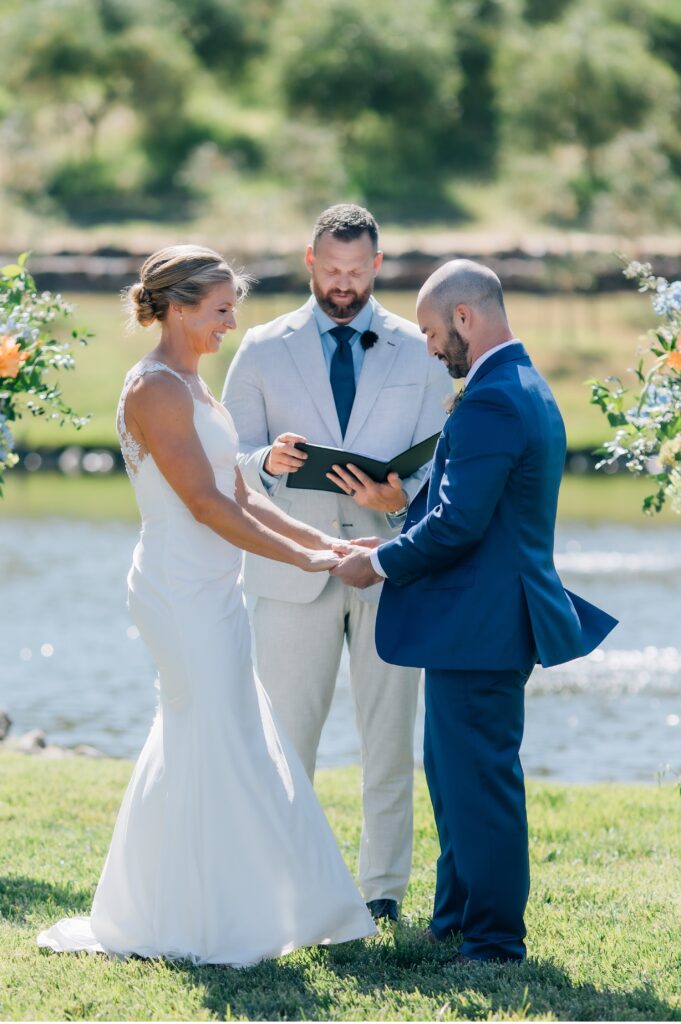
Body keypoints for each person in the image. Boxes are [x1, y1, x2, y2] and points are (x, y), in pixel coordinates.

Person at [37, 245, 376, 964]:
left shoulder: (194, 381)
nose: (230, 322)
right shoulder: (155, 387)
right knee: (216, 734)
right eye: (221, 309)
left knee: (215, 736)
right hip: (177, 587)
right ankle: (203, 918)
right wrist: (313, 559)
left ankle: (200, 904)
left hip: (214, 588)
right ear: (180, 307)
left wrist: (328, 544)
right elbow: (202, 504)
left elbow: (244, 493)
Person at [332, 259, 618, 961]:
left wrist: (375, 563)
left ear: (464, 317)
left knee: (480, 779)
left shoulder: (493, 397)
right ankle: (455, 914)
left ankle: (493, 937)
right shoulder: (515, 384)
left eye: (432, 331)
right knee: (451, 769)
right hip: (476, 620)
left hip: (485, 624)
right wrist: (397, 525)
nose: (430, 347)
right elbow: (462, 514)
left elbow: (460, 523)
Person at [222, 205, 450, 924]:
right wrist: (265, 461)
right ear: (309, 260)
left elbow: (442, 465)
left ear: (376, 266)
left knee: (388, 744)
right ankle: (286, 885)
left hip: (390, 569)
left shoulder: (421, 349)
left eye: (357, 272)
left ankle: (381, 892)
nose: (343, 285)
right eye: (332, 270)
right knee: (286, 739)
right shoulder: (260, 347)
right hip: (291, 572)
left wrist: (398, 495)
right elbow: (222, 463)